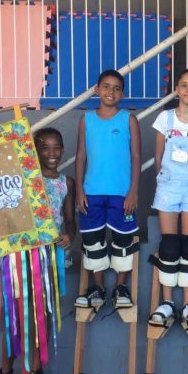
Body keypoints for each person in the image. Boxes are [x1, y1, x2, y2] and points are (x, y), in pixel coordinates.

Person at [0, 127, 76, 374]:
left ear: (63, 151)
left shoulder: (66, 183)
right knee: (14, 316)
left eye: (57, 147)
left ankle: (36, 371)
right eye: (45, 147)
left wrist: (69, 237)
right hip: (20, 257)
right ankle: (5, 372)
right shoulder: (22, 178)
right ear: (34, 149)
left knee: (41, 316)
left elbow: (69, 222)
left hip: (49, 258)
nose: (52, 153)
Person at [148, 69, 188, 328]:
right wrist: (163, 184)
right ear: (177, 89)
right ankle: (166, 304)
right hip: (169, 186)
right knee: (169, 245)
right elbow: (158, 157)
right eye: (183, 85)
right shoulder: (165, 119)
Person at [75, 70, 141, 309]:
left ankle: (121, 287)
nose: (110, 92)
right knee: (93, 242)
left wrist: (133, 190)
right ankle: (98, 288)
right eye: (106, 86)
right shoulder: (87, 119)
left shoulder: (128, 119)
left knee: (123, 242)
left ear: (122, 94)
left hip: (121, 193)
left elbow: (136, 156)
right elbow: (81, 156)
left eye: (116, 88)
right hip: (92, 192)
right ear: (97, 90)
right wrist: (80, 190)